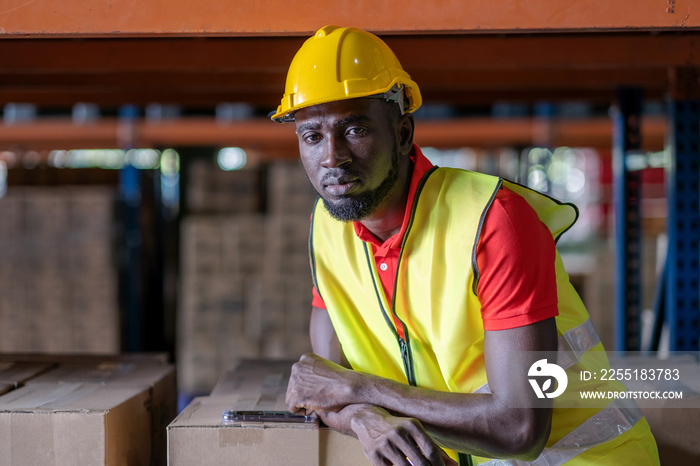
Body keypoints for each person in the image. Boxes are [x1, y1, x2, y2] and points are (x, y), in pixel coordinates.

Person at [271, 25, 660, 466]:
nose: (332, 157)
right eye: (312, 136)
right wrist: (363, 417)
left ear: (402, 133)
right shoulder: (325, 229)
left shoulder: (493, 221)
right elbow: (326, 387)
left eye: (355, 130)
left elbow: (520, 429)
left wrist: (362, 391)